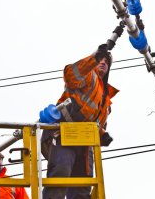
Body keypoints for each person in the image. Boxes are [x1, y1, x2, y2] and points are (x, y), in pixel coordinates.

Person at [41, 44, 119, 199]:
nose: (103, 63)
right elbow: (70, 74)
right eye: (101, 60)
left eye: (107, 62)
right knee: (61, 172)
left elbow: (93, 122)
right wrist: (93, 59)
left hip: (84, 144)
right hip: (64, 134)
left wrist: (102, 134)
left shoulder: (106, 100)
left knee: (82, 188)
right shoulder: (88, 76)